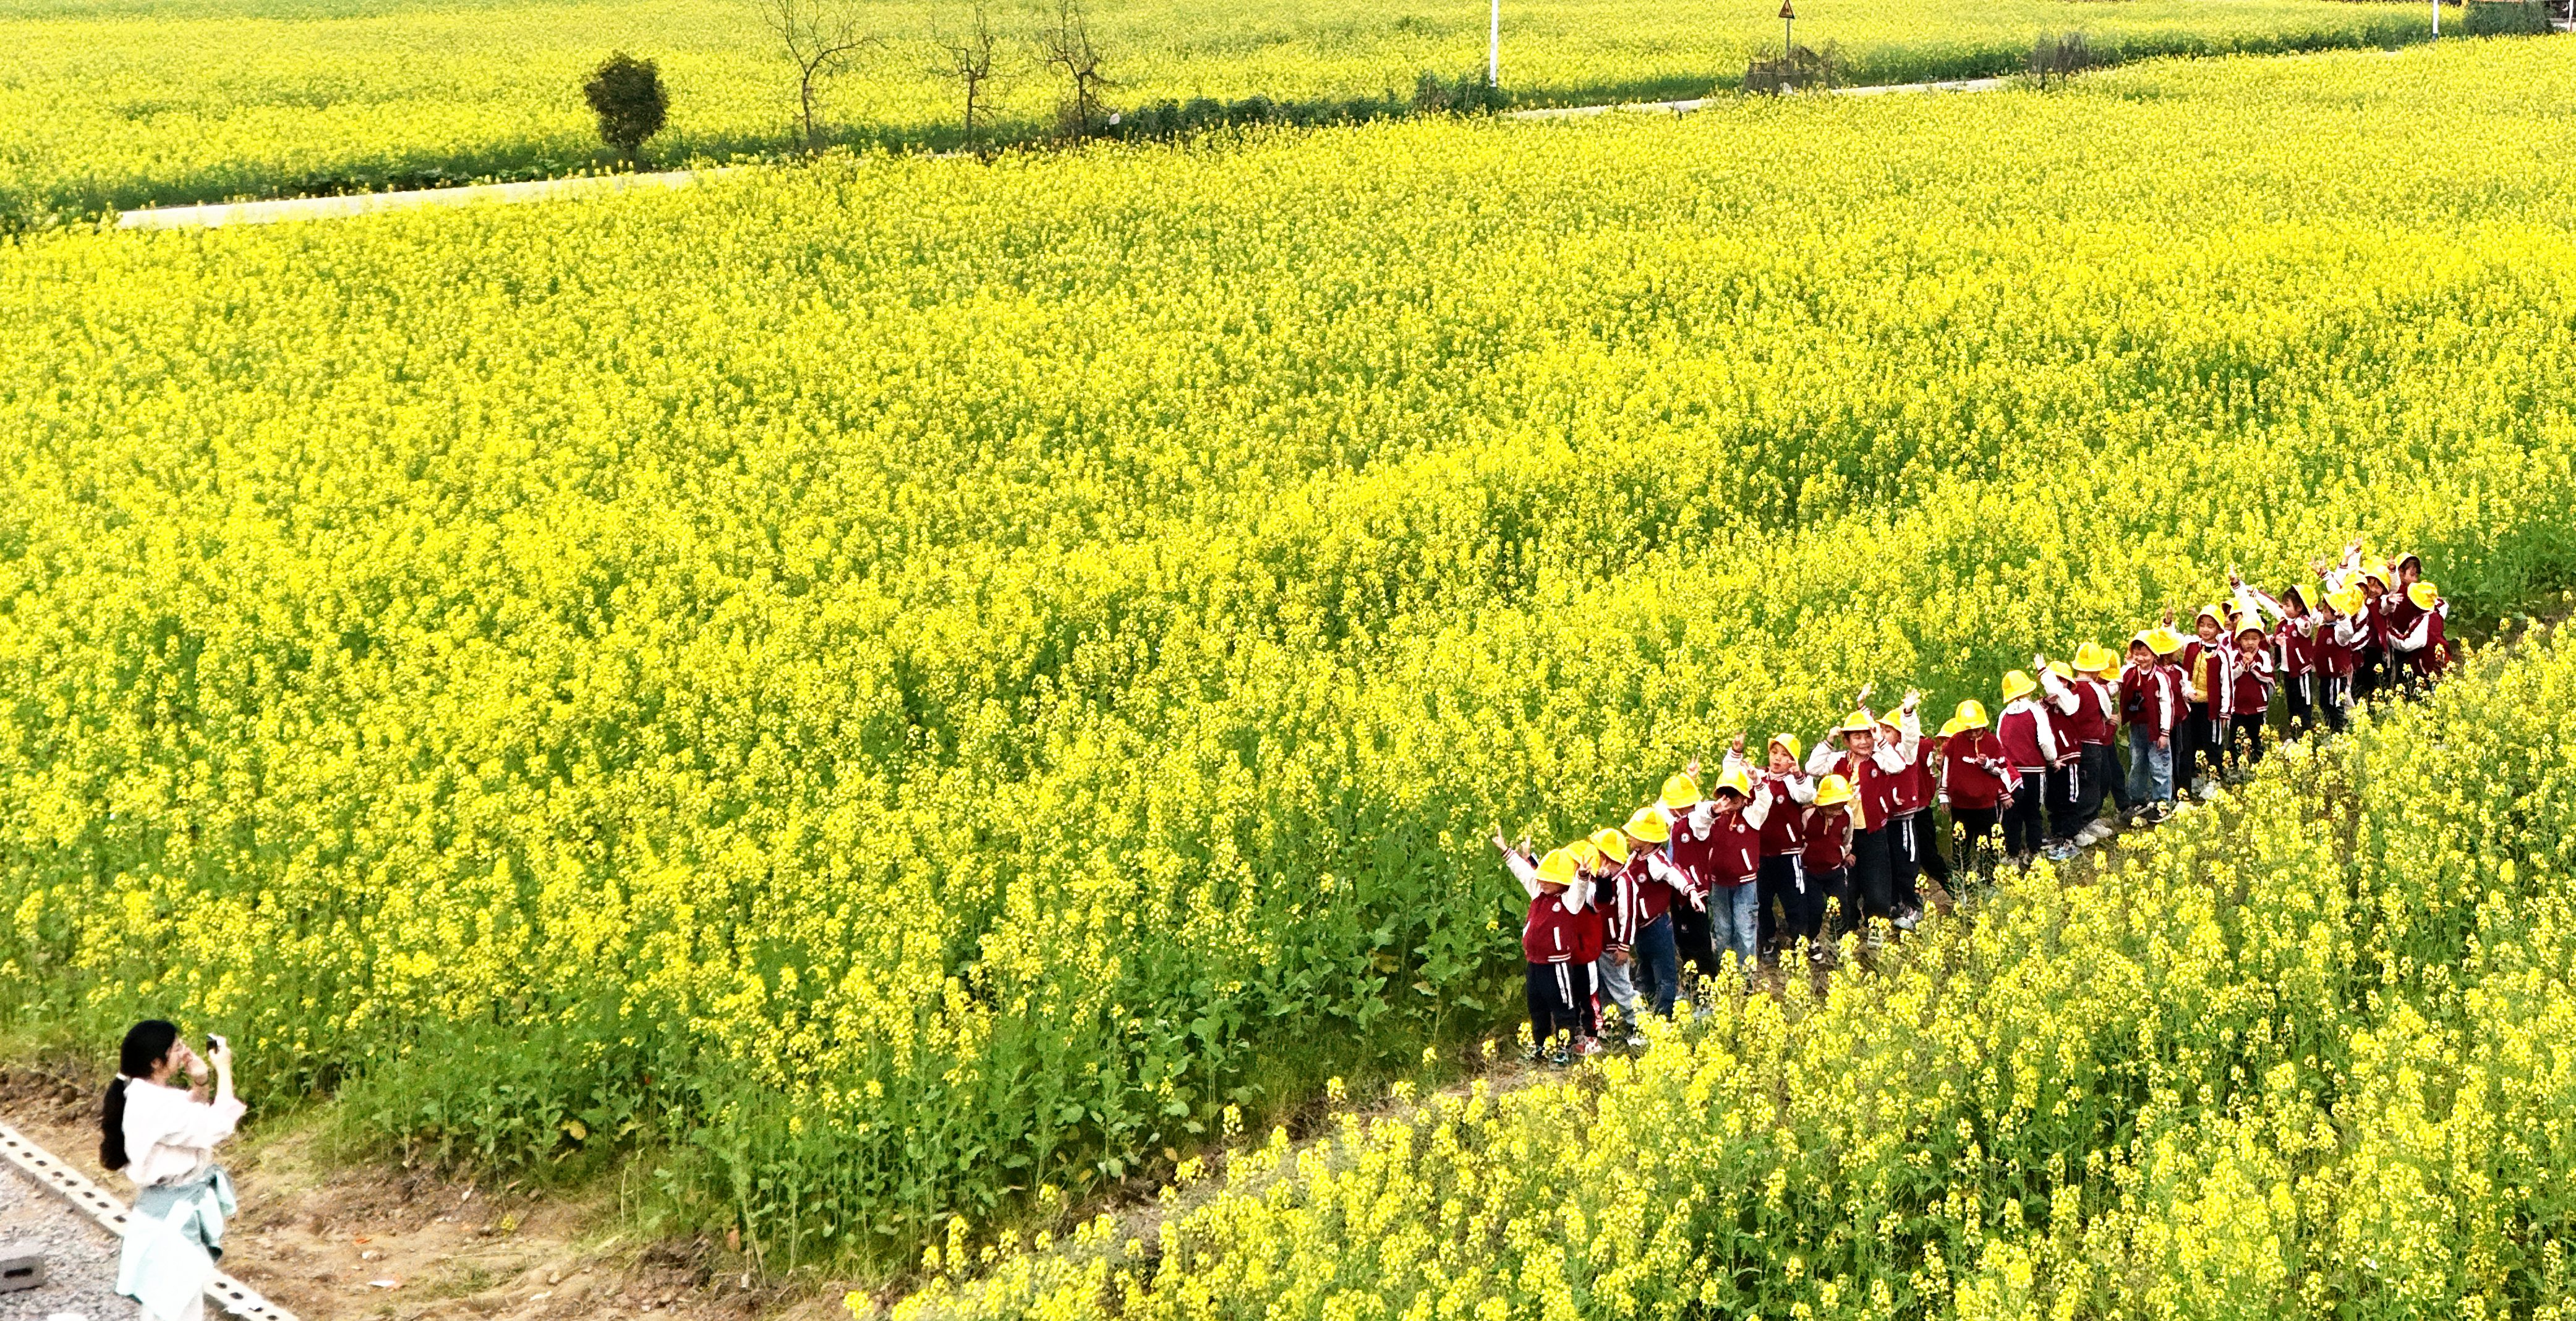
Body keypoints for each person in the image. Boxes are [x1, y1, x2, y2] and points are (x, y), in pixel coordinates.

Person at [105, 1019, 244, 1321]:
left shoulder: (141, 1092)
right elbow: (217, 1125)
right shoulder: (156, 1106)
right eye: (177, 1047)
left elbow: (187, 1109)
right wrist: (224, 1069)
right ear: (156, 1062)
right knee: (180, 1307)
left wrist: (200, 1083)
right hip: (171, 1219)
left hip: (161, 1213)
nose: (184, 1052)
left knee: (164, 1307)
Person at [1802, 688, 1919, 940]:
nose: (1864, 742)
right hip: (1843, 835)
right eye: (1857, 737)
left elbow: (1899, 765)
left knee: (1877, 886)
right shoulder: (1837, 761)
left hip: (1873, 832)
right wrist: (1828, 740)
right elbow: (1811, 768)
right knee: (1848, 887)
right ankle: (1848, 933)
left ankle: (1876, 930)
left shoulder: (1879, 759)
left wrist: (1881, 741)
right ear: (1847, 741)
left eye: (1867, 736)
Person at [1495, 840, 1589, 1066]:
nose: (1543, 882)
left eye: (1550, 880)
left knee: (1563, 1007)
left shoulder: (1569, 901)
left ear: (1563, 882)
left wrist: (1583, 876)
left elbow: (1579, 890)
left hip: (1557, 965)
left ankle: (1565, 1049)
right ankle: (1541, 1046)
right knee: (1536, 1007)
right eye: (1543, 878)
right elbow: (1524, 873)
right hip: (1534, 963)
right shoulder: (1538, 892)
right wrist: (1507, 852)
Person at [1694, 761, 1768, 975]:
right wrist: (1713, 811)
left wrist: (1757, 781)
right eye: (1725, 794)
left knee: (1745, 930)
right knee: (1723, 929)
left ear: (1746, 797)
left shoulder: (1753, 815)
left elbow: (1765, 800)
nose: (1731, 799)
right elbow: (1696, 820)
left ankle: (1746, 977)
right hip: (1719, 883)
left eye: (1736, 794)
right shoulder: (1713, 818)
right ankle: (1725, 972)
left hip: (1746, 883)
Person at [1749, 733, 1815, 962]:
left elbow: (1807, 794)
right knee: (1762, 901)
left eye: (1785, 755)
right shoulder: (1759, 777)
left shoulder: (1795, 781)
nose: (1778, 759)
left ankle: (1800, 941)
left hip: (1789, 854)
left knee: (1795, 900)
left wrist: (1797, 774)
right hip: (1760, 853)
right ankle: (1768, 940)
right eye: (1775, 752)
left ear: (1794, 760)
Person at [1655, 771, 1721, 992]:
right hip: (1677, 892)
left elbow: (1703, 817)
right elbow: (1660, 807)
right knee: (1683, 941)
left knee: (1699, 943)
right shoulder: (1676, 821)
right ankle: (1695, 987)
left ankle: (1709, 987)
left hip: (1697, 894)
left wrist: (1713, 811)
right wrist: (1688, 778)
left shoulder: (1695, 823)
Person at [1995, 668, 2064, 867]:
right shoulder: (2036, 711)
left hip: (2011, 775)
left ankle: (2012, 852)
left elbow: (2000, 744)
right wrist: (2053, 760)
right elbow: (2045, 740)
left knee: (2013, 814)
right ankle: (2034, 851)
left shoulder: (2003, 716)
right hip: (2034, 771)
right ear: (2027, 691)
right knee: (2034, 812)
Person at [1937, 700, 2009, 887]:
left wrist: (1987, 764)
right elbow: (1946, 768)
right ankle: (1963, 878)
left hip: (1985, 804)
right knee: (1961, 843)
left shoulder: (1993, 742)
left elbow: (2001, 769)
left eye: (1977, 729)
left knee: (1989, 843)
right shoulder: (1954, 742)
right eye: (1969, 730)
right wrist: (1944, 795)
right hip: (1960, 805)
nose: (1973, 734)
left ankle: (1990, 879)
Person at [2118, 631, 2178, 822]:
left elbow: (2167, 705)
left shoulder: (2160, 677)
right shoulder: (2129, 672)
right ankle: (2138, 800)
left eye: (2145, 654)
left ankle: (2162, 804)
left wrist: (2165, 732)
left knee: (2159, 764)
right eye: (2137, 653)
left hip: (2156, 729)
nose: (2141, 658)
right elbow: (2115, 683)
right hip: (2137, 726)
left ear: (2154, 655)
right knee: (2137, 763)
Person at [2177, 605, 2234, 797]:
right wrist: (2168, 622)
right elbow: (2172, 641)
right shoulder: (2192, 644)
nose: (2206, 630)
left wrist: (2226, 710)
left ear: (2219, 629)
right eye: (2202, 625)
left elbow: (2227, 683)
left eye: (2211, 626)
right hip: (2192, 704)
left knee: (2213, 742)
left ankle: (2214, 779)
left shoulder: (2222, 653)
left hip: (2212, 707)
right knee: (2193, 741)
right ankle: (2198, 777)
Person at [1799, 775, 1858, 959]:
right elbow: (1799, 838)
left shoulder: (1847, 815)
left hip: (1835, 870)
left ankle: (1841, 940)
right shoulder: (1808, 815)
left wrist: (1846, 853)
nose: (1836, 811)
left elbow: (1847, 836)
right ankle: (1813, 940)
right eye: (1832, 807)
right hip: (1810, 872)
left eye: (1840, 806)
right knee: (1815, 908)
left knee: (1842, 905)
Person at [2227, 614, 2275, 772]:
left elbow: (2267, 677)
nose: (2250, 643)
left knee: (2258, 739)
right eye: (2246, 639)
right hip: (2237, 706)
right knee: (2236, 740)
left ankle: (2259, 768)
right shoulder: (2233, 655)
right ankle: (2236, 768)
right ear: (2239, 640)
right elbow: (2229, 676)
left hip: (2258, 706)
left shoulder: (2264, 656)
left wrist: (2253, 665)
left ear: (2260, 639)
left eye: (2254, 638)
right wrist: (2242, 665)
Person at [2393, 580, 2449, 695]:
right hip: (2443, 658)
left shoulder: (2422, 626)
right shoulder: (2437, 611)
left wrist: (2389, 632)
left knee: (2429, 694)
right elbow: (2442, 603)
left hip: (2427, 666)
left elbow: (2406, 644)